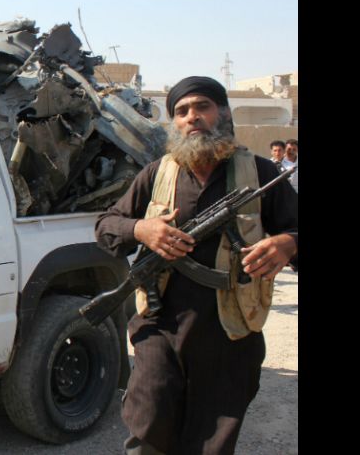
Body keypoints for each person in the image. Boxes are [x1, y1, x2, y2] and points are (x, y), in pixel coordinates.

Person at [94, 76, 298, 454]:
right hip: (160, 326)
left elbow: (294, 229)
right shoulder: (156, 173)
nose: (192, 116)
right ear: (174, 122)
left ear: (223, 113)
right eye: (182, 111)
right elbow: (106, 226)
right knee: (149, 423)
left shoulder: (259, 174)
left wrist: (288, 243)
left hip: (230, 330)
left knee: (212, 439)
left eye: (202, 106)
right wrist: (141, 229)